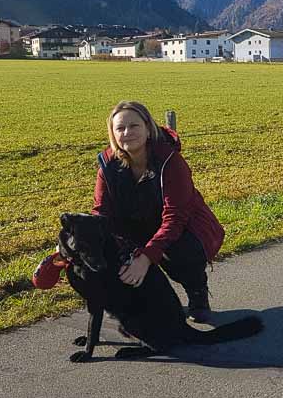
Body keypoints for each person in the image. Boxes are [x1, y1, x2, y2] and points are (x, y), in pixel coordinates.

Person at [91, 100, 224, 323]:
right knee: (108, 246)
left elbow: (175, 216)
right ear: (113, 134)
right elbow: (101, 213)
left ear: (147, 128)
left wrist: (146, 257)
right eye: (120, 128)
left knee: (182, 252)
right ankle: (134, 300)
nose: (127, 133)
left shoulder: (170, 161)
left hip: (184, 228)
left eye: (134, 126)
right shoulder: (108, 167)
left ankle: (197, 293)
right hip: (136, 225)